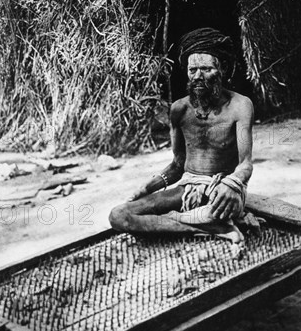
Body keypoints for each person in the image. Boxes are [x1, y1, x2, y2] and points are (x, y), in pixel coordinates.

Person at [108, 28, 254, 246]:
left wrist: (232, 185)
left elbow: (245, 164)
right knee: (119, 215)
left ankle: (204, 220)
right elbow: (177, 165)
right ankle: (208, 228)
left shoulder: (240, 106)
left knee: (221, 206)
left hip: (223, 189)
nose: (198, 76)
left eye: (206, 69)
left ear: (222, 69)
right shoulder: (179, 109)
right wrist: (146, 188)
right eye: (192, 69)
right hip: (188, 187)